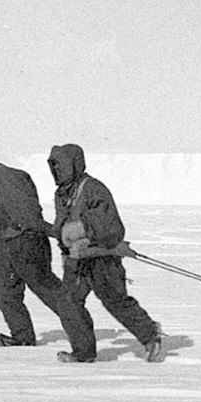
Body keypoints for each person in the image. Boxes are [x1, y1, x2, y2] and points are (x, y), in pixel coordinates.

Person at [0, 144, 92, 350]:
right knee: (3, 291)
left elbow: (29, 217)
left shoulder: (2, 177)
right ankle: (22, 337)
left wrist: (58, 233)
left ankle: (83, 333)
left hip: (27, 241)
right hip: (4, 244)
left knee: (47, 289)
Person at [48, 143, 163, 363]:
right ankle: (83, 353)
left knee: (115, 301)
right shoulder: (61, 193)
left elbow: (112, 228)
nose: (56, 171)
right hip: (76, 260)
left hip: (102, 258)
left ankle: (150, 337)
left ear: (74, 164)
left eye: (59, 165)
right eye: (52, 166)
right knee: (68, 302)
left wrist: (81, 229)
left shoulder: (93, 189)